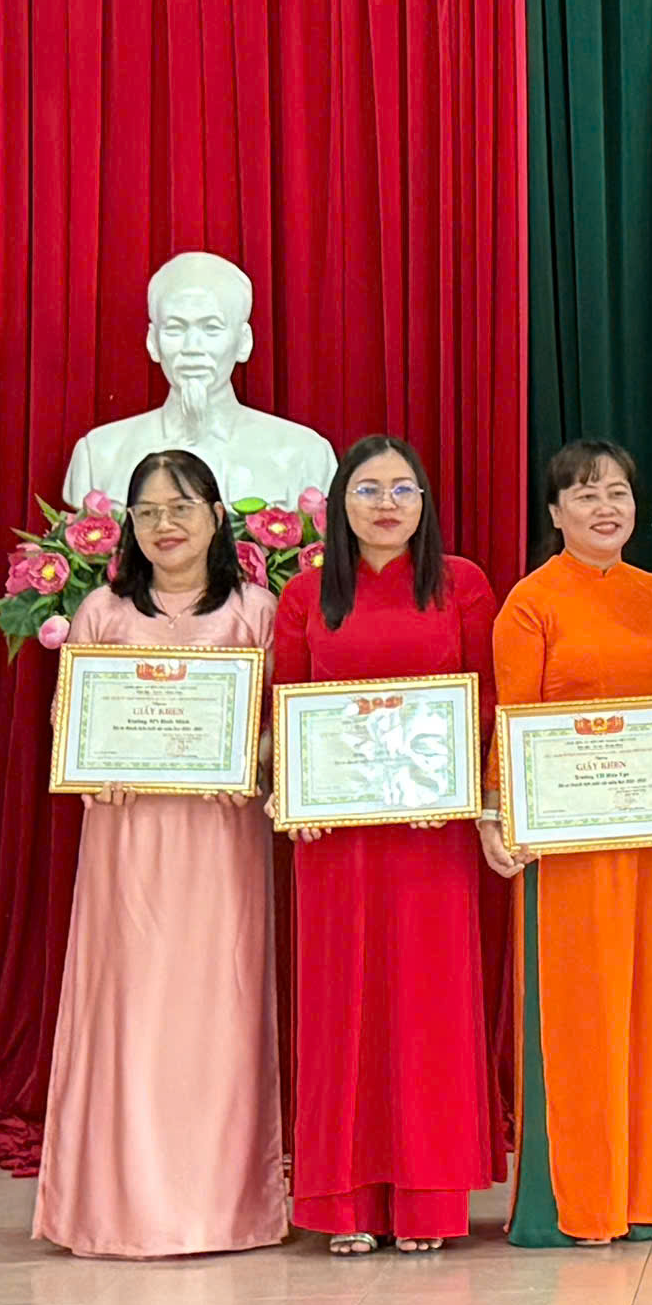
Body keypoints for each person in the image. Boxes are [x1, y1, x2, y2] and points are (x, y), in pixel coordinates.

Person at [32, 450, 288, 1258]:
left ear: (216, 516)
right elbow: (68, 719)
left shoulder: (257, 610)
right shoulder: (103, 612)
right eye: (147, 512)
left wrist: (252, 760)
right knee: (129, 1010)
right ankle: (115, 1207)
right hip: (127, 843)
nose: (164, 524)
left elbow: (284, 724)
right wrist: (89, 760)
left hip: (222, 844)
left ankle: (224, 1207)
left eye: (181, 507)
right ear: (128, 527)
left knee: (220, 1009)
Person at [270, 435, 512, 1256]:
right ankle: (342, 1203)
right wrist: (293, 790)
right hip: (334, 838)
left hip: (429, 835)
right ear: (340, 502)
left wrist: (458, 787)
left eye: (403, 489)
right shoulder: (305, 593)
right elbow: (286, 704)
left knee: (428, 1013)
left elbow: (486, 701)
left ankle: (428, 1200)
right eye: (368, 489)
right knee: (340, 1011)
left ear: (424, 504)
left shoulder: (462, 584)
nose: (386, 504)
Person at [490, 439, 652, 1246]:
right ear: (555, 513)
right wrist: (499, 817)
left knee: (651, 1009)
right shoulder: (530, 603)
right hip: (567, 850)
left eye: (617, 491)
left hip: (650, 840)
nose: (605, 507)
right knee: (581, 1014)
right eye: (585, 495)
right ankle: (579, 1201)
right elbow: (511, 724)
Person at [62, 251, 336, 509]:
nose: (192, 347)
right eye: (175, 328)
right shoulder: (100, 455)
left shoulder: (304, 454)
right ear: (153, 342)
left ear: (244, 342)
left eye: (211, 328)